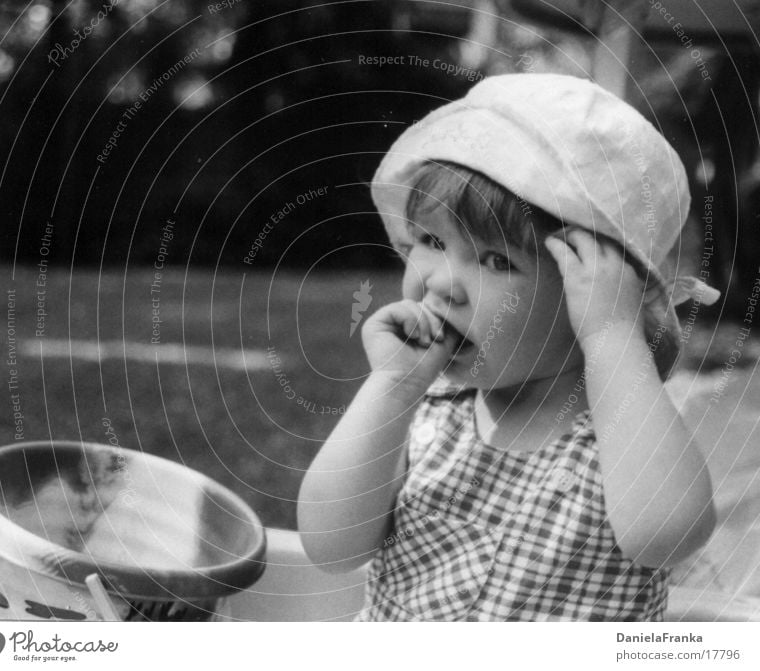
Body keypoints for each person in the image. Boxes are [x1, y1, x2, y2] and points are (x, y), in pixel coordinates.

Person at [296, 73, 720, 621]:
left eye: (498, 261)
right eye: (430, 241)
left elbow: (668, 533)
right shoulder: (424, 409)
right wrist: (392, 389)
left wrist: (613, 336)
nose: (441, 282)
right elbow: (332, 548)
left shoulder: (625, 437)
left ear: (596, 292)